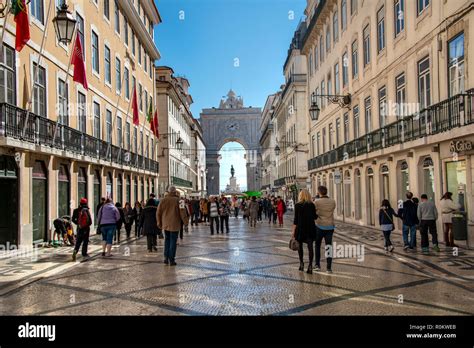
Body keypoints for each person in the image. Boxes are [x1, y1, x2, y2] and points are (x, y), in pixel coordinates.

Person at [157, 186, 188, 266]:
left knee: (167, 240)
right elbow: (183, 213)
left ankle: (165, 257)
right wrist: (185, 223)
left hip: (165, 224)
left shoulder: (163, 200)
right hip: (175, 224)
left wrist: (159, 223)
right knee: (173, 241)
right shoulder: (180, 201)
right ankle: (171, 259)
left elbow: (158, 212)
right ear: (175, 192)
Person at [292, 189, 317, 274]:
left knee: (300, 247)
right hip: (310, 228)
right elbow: (315, 217)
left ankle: (301, 263)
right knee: (310, 247)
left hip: (300, 229)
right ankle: (310, 266)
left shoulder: (297, 205)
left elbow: (295, 220)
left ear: (300, 196)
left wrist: (293, 232)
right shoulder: (312, 205)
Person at [314, 186, 336, 273]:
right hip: (330, 226)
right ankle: (329, 267)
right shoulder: (332, 201)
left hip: (319, 226)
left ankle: (317, 265)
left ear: (319, 192)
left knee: (317, 245)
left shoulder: (317, 202)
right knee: (329, 246)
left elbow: (314, 212)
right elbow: (332, 210)